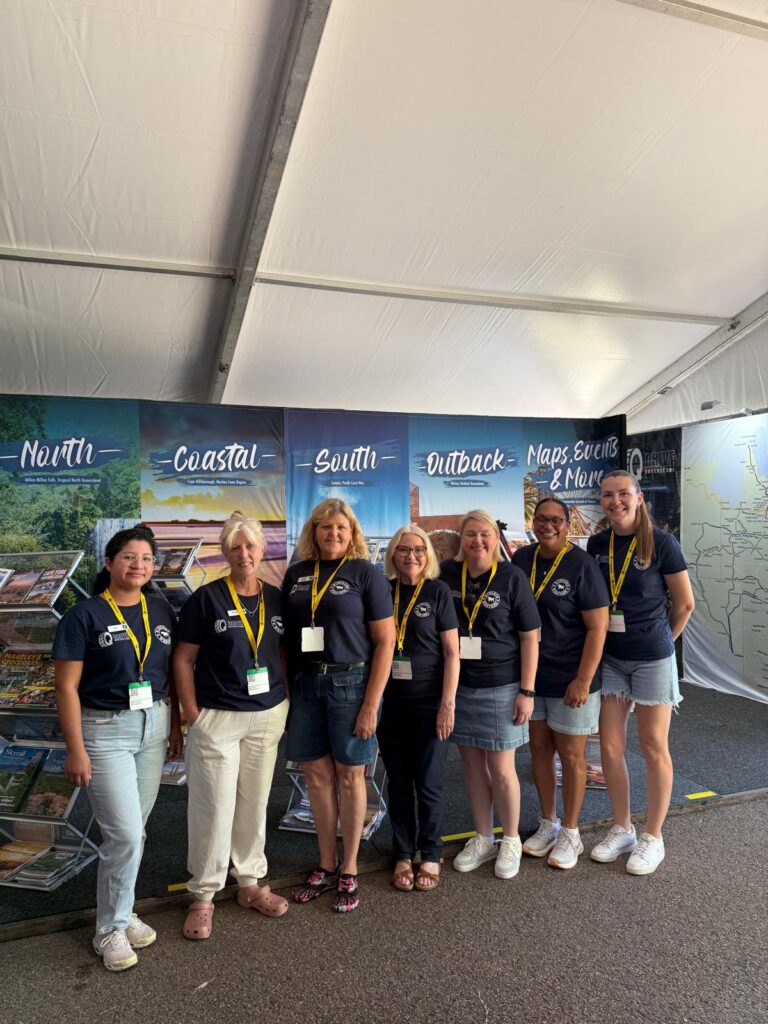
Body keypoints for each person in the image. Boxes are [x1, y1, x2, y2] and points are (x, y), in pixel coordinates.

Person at [53, 526, 182, 972]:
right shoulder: (83, 616)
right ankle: (108, 929)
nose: (138, 565)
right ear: (109, 563)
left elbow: (170, 673)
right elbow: (66, 688)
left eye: (146, 558)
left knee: (134, 832)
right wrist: (76, 750)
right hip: (104, 731)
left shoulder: (160, 610)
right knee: (124, 834)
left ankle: (122, 914)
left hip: (154, 725)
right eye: (129, 557)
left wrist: (175, 726)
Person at [174, 512, 290, 940]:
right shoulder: (206, 600)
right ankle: (204, 894)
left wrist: (285, 698)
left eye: (251, 546)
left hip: (267, 713)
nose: (244, 554)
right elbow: (183, 658)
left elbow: (282, 652)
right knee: (214, 807)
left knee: (254, 802)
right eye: (236, 547)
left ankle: (250, 883)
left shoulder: (276, 598)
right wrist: (192, 714)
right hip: (217, 717)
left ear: (262, 550)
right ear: (225, 553)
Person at [282, 498, 395, 912]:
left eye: (341, 528)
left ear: (352, 534)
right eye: (325, 527)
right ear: (313, 531)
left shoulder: (366, 573)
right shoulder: (296, 574)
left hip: (352, 682)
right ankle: (326, 862)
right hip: (306, 684)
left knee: (350, 775)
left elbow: (386, 642)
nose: (333, 533)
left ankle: (350, 867)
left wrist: (371, 704)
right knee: (316, 775)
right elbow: (284, 638)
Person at [587, 470, 695, 875]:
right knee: (610, 747)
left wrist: (662, 641)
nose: (615, 501)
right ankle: (622, 828)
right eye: (607, 495)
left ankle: (653, 836)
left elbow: (684, 604)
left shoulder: (662, 543)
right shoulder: (597, 544)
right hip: (611, 658)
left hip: (651, 658)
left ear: (638, 498)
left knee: (652, 745)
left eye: (622, 494)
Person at [440, 509, 540, 880]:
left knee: (501, 769)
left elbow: (530, 638)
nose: (478, 541)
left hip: (502, 686)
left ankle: (510, 838)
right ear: (461, 539)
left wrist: (527, 690)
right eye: (470, 534)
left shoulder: (512, 577)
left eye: (485, 534)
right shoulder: (447, 574)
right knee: (471, 766)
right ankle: (483, 837)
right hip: (459, 686)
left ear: (495, 539)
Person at [511, 498, 609, 869]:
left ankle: (571, 832)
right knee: (539, 749)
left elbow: (598, 628)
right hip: (533, 677)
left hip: (571, 676)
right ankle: (549, 823)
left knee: (571, 756)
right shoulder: (522, 559)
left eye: (556, 520)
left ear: (568, 524)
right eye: (541, 519)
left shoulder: (582, 565)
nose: (547, 525)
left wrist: (583, 680)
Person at [377, 525, 459, 891]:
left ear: (428, 555)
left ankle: (430, 852)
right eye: (404, 550)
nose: (411, 556)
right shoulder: (383, 591)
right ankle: (402, 852)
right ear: (393, 555)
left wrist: (447, 705)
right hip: (391, 704)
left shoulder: (438, 592)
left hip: (430, 703)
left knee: (428, 782)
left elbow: (452, 653)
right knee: (398, 782)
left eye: (419, 550)